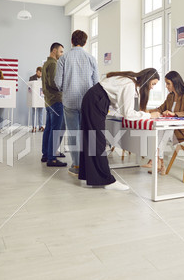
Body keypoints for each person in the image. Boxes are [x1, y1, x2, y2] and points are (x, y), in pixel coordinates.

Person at [79, 68, 161, 191]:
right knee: (98, 141)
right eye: (153, 84)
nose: (153, 88)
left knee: (91, 139)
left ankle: (91, 177)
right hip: (95, 101)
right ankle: (107, 181)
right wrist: (149, 115)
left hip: (92, 98)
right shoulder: (129, 85)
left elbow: (121, 108)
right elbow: (128, 113)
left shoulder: (128, 81)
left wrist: (138, 113)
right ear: (147, 80)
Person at [55, 30, 99, 176]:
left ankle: (77, 166)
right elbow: (96, 83)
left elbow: (58, 82)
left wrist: (65, 88)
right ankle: (90, 166)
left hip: (70, 101)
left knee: (74, 134)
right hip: (87, 103)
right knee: (87, 133)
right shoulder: (91, 58)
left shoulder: (63, 58)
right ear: (85, 42)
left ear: (71, 41)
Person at [145, 70, 184, 174]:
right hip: (173, 130)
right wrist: (146, 112)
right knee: (161, 130)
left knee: (167, 128)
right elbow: (160, 109)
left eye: (168, 83)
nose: (166, 86)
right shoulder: (171, 96)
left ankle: (155, 160)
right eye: (166, 83)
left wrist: (174, 114)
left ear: (176, 82)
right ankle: (159, 163)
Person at [41, 42, 67, 167]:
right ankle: (52, 158)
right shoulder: (53, 64)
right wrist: (65, 87)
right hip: (56, 100)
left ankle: (46, 154)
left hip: (49, 101)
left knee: (49, 128)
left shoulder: (46, 63)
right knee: (56, 129)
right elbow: (54, 83)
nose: (61, 54)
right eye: (60, 51)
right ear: (54, 51)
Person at [29, 67, 44, 133]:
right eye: (39, 72)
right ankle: (34, 126)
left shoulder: (44, 78)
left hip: (41, 97)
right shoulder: (31, 78)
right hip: (34, 98)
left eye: (41, 72)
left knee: (41, 112)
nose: (40, 73)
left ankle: (40, 126)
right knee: (34, 112)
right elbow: (29, 87)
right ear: (36, 72)